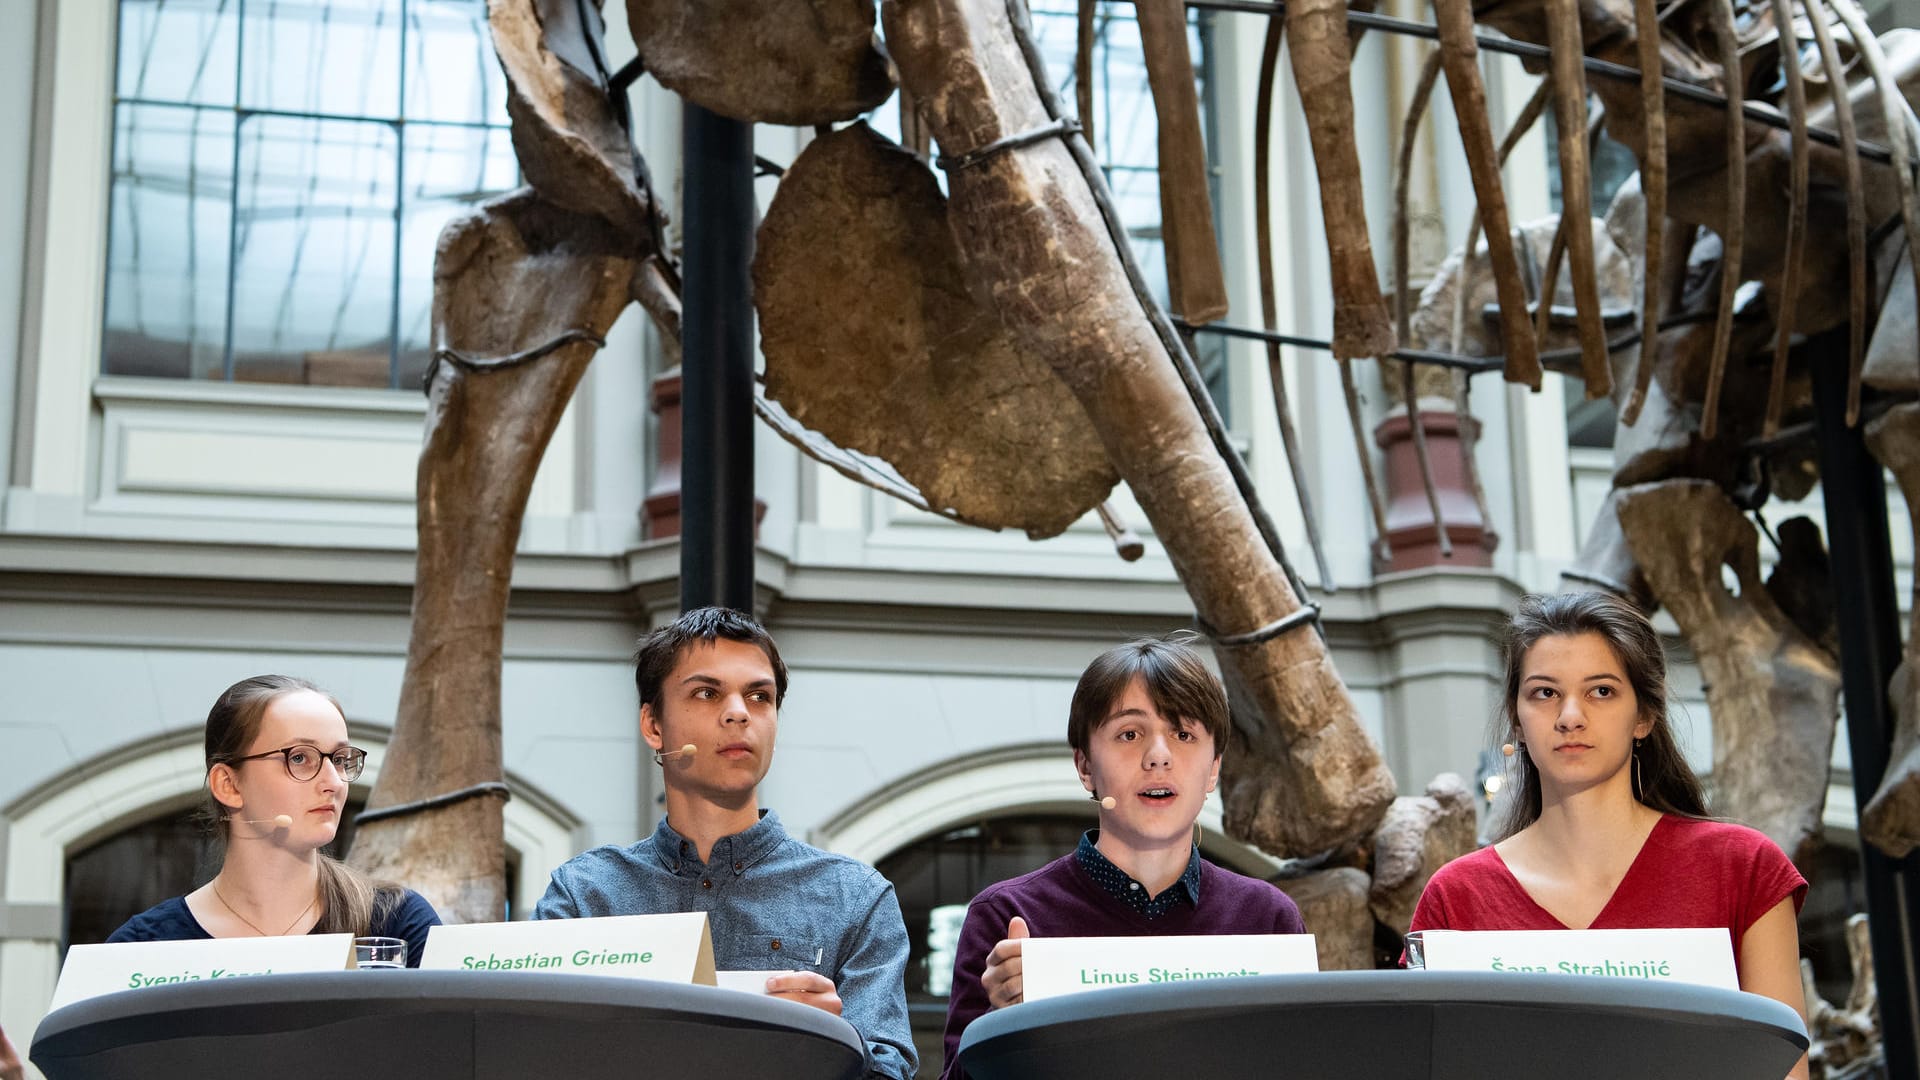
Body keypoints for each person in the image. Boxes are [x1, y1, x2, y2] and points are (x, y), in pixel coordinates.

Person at [1409, 592, 1809, 1080]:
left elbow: (1784, 1072)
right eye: (1544, 692)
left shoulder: (1744, 869)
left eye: (1601, 691)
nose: (1570, 716)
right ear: (1517, 718)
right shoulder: (1456, 898)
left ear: (1644, 717)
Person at [532, 607, 915, 1080]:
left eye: (759, 696)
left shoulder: (857, 899)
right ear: (654, 726)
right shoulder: (583, 896)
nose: (738, 712)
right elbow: (534, 1053)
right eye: (707, 692)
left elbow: (890, 1070)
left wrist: (835, 1045)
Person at [939, 635, 1307, 1080]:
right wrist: (998, 1031)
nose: (1159, 757)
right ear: (1085, 767)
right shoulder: (1008, 917)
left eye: (1184, 734)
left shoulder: (1266, 919)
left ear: (1214, 769)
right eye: (1129, 734)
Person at [109, 675, 441, 966]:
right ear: (229, 784)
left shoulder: (395, 925)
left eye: (340, 760)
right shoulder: (141, 949)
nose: (335, 782)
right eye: (299, 758)